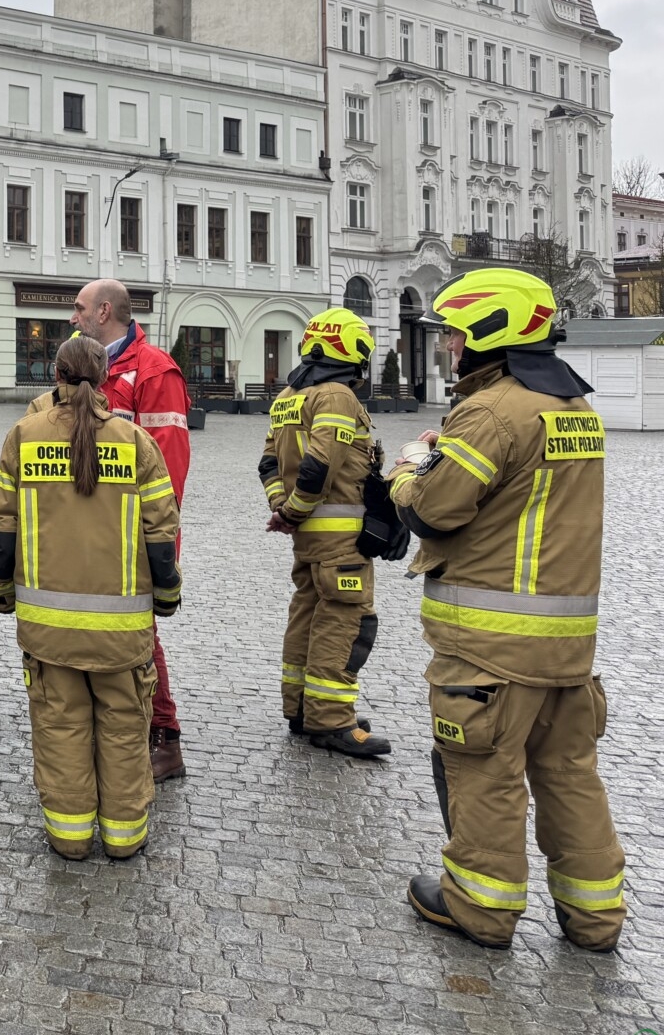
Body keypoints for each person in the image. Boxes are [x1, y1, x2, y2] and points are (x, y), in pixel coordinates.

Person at [390, 270, 623, 952]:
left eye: (458, 336)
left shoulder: (493, 411)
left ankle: (480, 907)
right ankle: (595, 916)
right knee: (569, 774)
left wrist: (410, 468)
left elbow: (435, 510)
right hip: (567, 644)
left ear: (491, 333)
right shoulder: (573, 408)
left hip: (492, 643)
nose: (451, 349)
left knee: (486, 775)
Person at [0, 336, 179, 859]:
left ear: (56, 376)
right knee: (122, 727)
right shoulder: (136, 441)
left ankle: (69, 839)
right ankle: (124, 838)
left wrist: (1, 591)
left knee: (61, 727)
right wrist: (166, 595)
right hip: (123, 631)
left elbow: (1, 527)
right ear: (105, 376)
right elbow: (161, 532)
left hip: (49, 630)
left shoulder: (24, 436)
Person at [68, 280, 193, 782]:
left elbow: (167, 472)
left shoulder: (154, 370)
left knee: (140, 636)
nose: (72, 318)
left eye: (78, 309)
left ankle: (165, 737)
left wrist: (152, 543)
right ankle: (117, 725)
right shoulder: (91, 367)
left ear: (102, 312)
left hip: (131, 536)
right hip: (88, 530)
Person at [259, 307, 391, 758]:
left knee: (308, 614)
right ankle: (331, 720)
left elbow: (268, 464)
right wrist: (293, 511)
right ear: (352, 350)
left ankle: (301, 708)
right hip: (340, 540)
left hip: (309, 538)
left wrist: (282, 508)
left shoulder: (289, 397)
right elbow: (319, 463)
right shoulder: (336, 396)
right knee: (346, 621)